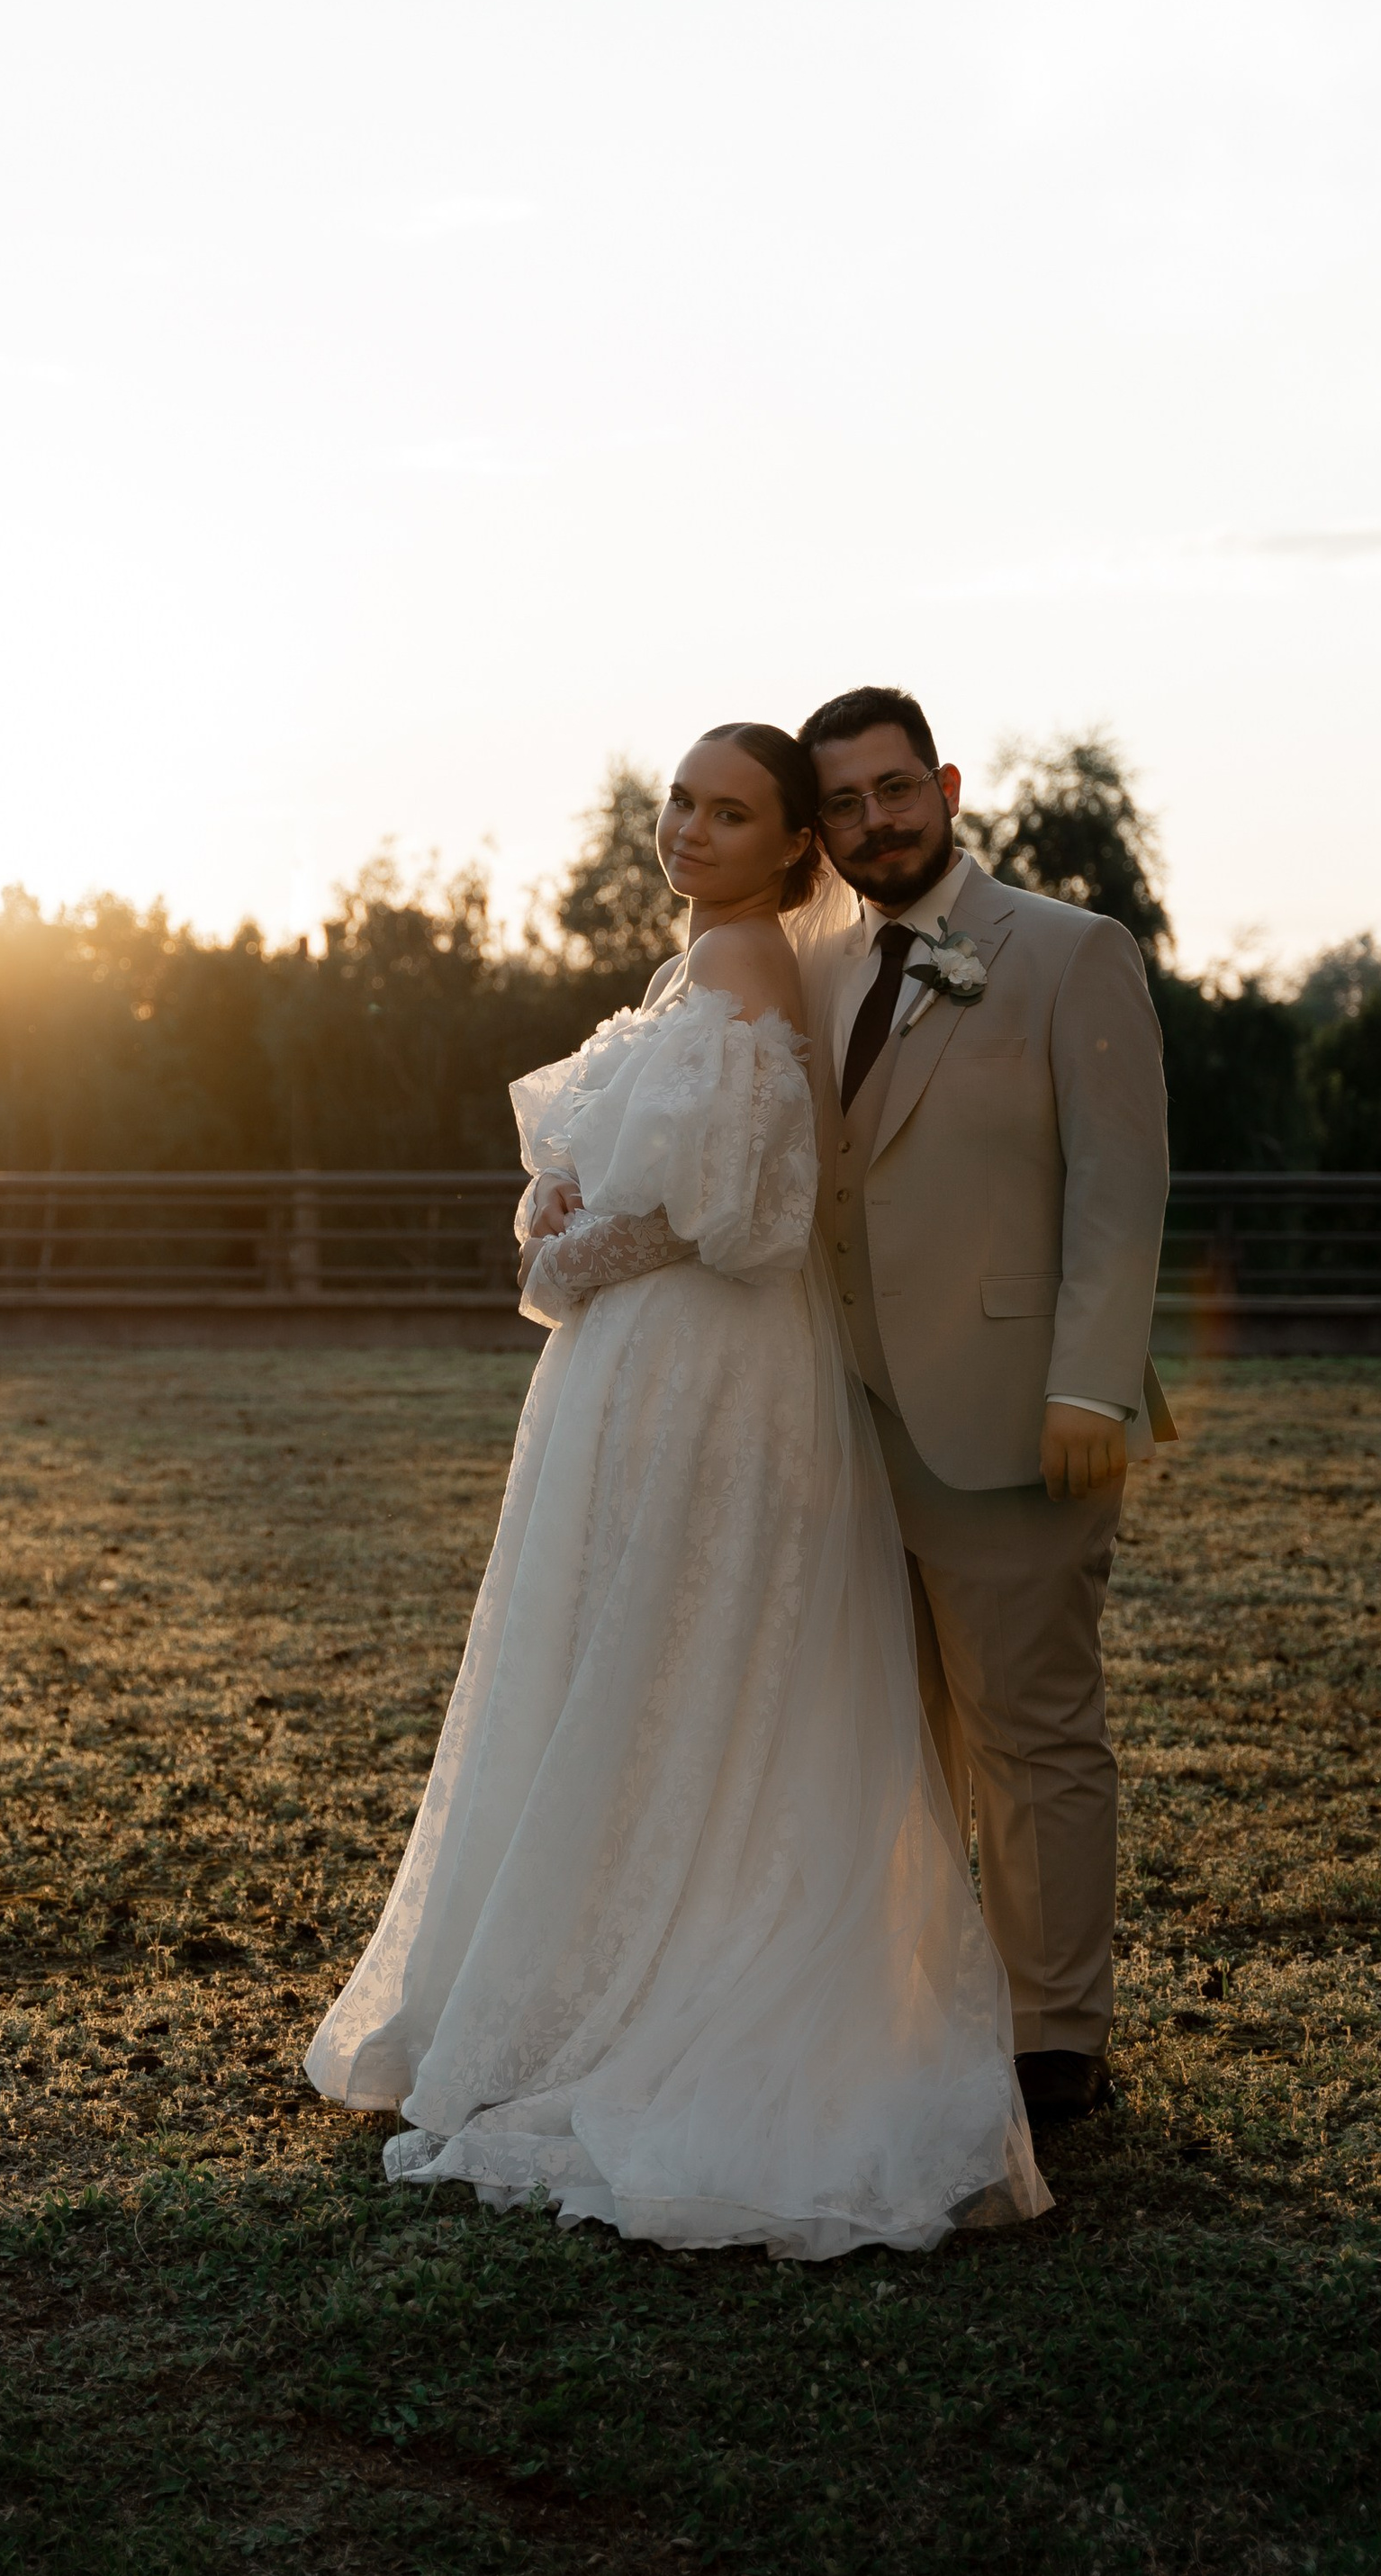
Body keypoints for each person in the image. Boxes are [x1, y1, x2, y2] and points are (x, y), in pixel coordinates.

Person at [305, 725, 1047, 2257]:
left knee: (673, 1654)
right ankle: (591, 1952)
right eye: (678, 802)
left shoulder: (743, 968)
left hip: (705, 1370)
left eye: (730, 813)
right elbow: (612, 1164)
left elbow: (734, 1211)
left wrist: (561, 1257)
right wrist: (556, 1200)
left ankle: (661, 1981)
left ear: (793, 847)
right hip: (639, 1370)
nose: (690, 831)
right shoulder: (697, 968)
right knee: (626, 1659)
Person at [793, 684, 1172, 2127]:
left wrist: (1089, 1382)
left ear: (945, 788)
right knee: (881, 1726)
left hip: (1016, 1409)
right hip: (836, 1419)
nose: (871, 822)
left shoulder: (1067, 952)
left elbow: (1121, 1186)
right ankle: (904, 1994)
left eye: (893, 791)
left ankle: (1053, 2032)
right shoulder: (813, 967)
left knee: (1032, 1726)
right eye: (841, 804)